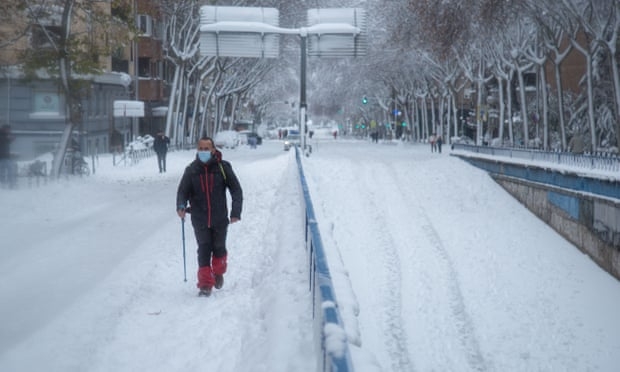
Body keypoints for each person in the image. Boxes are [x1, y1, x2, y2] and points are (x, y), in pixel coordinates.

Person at [176, 137, 243, 297]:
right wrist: (181, 206)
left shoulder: (222, 168)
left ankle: (218, 272)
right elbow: (182, 191)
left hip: (219, 218)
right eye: (200, 148)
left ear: (213, 150)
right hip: (199, 218)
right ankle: (205, 284)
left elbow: (236, 190)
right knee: (204, 249)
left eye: (207, 148)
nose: (203, 151)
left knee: (219, 247)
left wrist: (235, 212)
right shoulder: (191, 170)